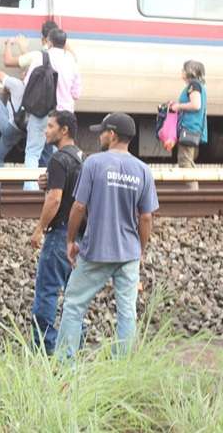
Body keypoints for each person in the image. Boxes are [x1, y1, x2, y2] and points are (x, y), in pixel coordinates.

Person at [55, 113, 159, 359]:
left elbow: (79, 207)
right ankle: (123, 366)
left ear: (112, 135)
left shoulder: (94, 163)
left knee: (74, 304)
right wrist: (140, 250)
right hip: (128, 253)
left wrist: (70, 241)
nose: (99, 135)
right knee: (126, 311)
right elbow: (146, 218)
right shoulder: (143, 170)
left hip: (96, 251)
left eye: (102, 131)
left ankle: (64, 363)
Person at [30, 110, 84, 354]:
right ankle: (74, 346)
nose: (46, 130)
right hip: (80, 236)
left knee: (47, 291)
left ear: (64, 131)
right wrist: (49, 181)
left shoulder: (58, 159)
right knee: (75, 296)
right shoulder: (83, 158)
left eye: (50, 126)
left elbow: (55, 199)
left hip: (60, 233)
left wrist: (39, 229)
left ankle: (44, 349)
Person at [4, 27, 81, 190]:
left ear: (49, 42)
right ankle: (59, 187)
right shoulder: (72, 62)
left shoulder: (40, 57)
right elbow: (76, 93)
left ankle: (31, 190)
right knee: (59, 152)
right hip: (64, 115)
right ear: (65, 44)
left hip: (42, 112)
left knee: (33, 151)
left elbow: (27, 84)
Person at [170, 60, 207, 190]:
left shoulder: (194, 85)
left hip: (189, 128)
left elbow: (196, 105)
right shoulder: (197, 85)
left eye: (183, 70)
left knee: (185, 161)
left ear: (190, 72)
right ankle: (193, 191)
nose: (182, 72)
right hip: (192, 127)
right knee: (189, 161)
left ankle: (193, 193)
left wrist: (178, 106)